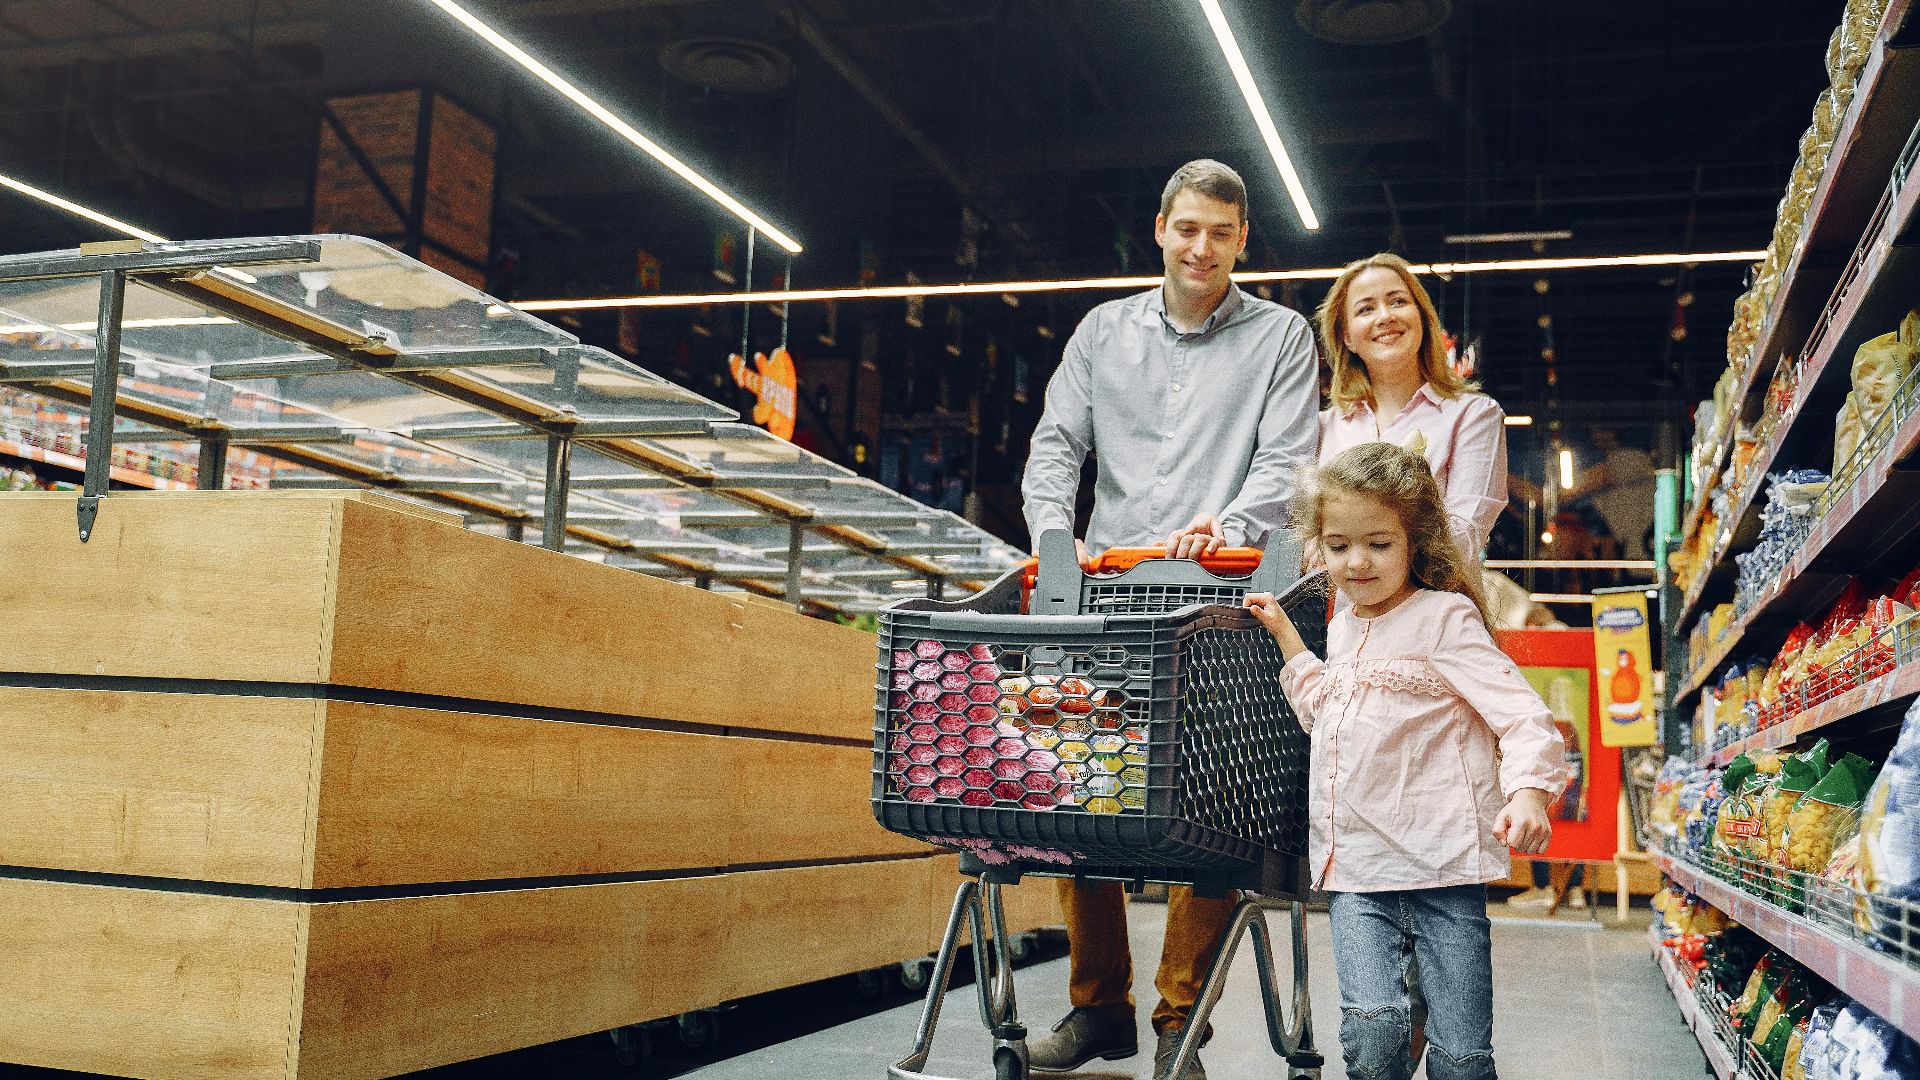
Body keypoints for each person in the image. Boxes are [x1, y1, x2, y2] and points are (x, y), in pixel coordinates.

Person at [1020, 159, 1320, 1080]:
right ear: (1159, 227)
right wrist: (1050, 537)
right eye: (1187, 228)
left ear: (1241, 240)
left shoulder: (1281, 337)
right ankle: (1097, 1008)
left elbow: (1285, 460)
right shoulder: (1102, 332)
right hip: (1105, 598)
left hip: (1220, 601)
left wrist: (1228, 527)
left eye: (1221, 234)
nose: (1202, 248)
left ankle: (1177, 1024)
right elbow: (1057, 441)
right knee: (1087, 796)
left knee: (1218, 808)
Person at [1243, 442, 1569, 1080]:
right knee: (1372, 1028)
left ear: (1414, 539)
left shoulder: (1444, 618)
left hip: (1443, 864)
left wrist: (1529, 791)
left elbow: (1521, 714)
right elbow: (1329, 715)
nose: (1356, 562)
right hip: (1358, 865)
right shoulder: (1341, 625)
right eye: (1338, 546)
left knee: (1461, 1051)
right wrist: (1288, 637)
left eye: (1378, 544)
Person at [1315, 253, 1507, 561]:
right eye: (1366, 308)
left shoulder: (1473, 415)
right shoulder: (1324, 427)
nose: (1384, 316)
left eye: (1398, 301)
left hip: (1431, 604)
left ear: (1422, 318)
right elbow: (1306, 535)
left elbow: (1463, 535)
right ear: (1347, 336)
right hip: (1334, 608)